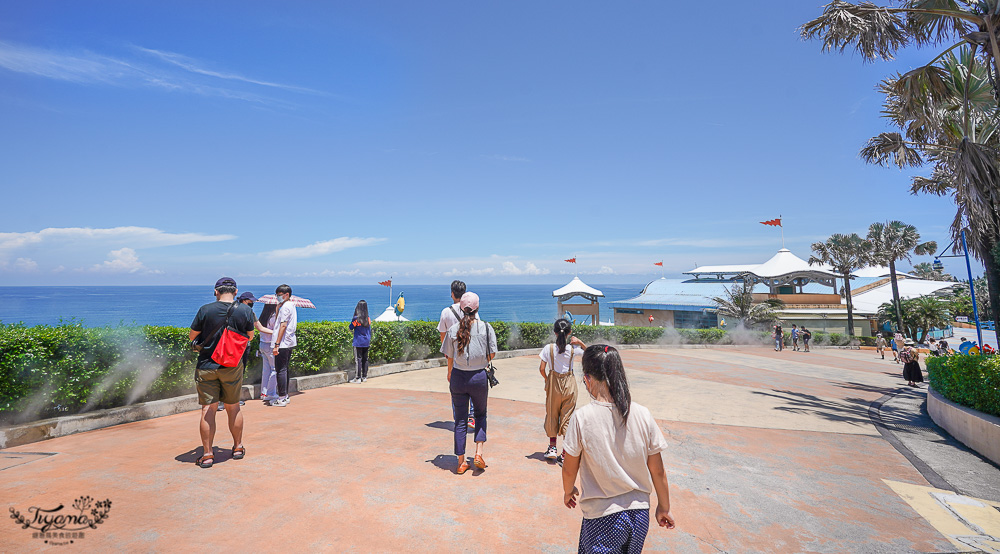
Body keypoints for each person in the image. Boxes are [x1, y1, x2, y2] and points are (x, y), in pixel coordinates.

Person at [561, 345, 675, 552]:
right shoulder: (642, 414)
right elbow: (658, 470)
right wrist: (664, 507)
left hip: (602, 518)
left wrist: (569, 491)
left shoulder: (582, 418)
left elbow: (569, 468)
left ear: (587, 379)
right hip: (639, 516)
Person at [189, 277, 255, 468]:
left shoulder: (205, 310)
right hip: (232, 366)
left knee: (208, 409)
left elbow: (192, 336)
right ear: (236, 292)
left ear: (215, 292)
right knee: (233, 407)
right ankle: (237, 447)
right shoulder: (245, 310)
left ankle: (208, 455)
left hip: (207, 366)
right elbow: (250, 336)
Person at [441, 292, 496, 474]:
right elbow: (492, 354)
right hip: (479, 377)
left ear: (460, 308)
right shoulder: (487, 328)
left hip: (458, 377)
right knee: (480, 414)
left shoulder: (453, 330)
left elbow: (449, 356)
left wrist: (450, 372)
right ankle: (478, 453)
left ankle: (461, 461)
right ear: (477, 308)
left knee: (460, 420)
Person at [539, 319, 587, 465]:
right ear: (569, 333)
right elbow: (589, 352)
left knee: (552, 413)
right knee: (567, 417)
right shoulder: (573, 350)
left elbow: (541, 369)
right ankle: (565, 453)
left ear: (554, 332)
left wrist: (547, 379)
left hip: (553, 382)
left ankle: (552, 448)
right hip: (569, 384)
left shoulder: (548, 349)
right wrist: (580, 342)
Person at [438, 280, 478, 429]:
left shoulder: (446, 312)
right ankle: (472, 417)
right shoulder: (472, 310)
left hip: (454, 356)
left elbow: (443, 336)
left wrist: (447, 354)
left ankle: (459, 420)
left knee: (456, 387)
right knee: (473, 381)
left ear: (452, 294)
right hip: (471, 353)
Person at [217, 292, 260, 411]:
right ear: (244, 300)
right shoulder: (247, 312)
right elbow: (251, 335)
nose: (252, 303)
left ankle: (222, 401)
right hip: (240, 347)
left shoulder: (228, 309)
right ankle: (231, 400)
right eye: (250, 301)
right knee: (237, 374)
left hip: (226, 345)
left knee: (224, 373)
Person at [270, 284, 297, 408]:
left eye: (279, 295)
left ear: (286, 295)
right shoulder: (289, 306)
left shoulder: (286, 307)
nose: (277, 297)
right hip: (288, 342)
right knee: (284, 369)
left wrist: (276, 344)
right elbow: (279, 322)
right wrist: (277, 309)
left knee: (280, 369)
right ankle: (285, 396)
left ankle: (281, 398)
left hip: (282, 343)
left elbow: (283, 325)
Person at [257, 303, 279, 404]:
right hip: (270, 345)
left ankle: (264, 393)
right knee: (274, 369)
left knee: (266, 370)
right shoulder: (273, 316)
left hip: (262, 344)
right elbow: (276, 330)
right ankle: (271, 393)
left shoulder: (262, 316)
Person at [349, 300, 372, 383]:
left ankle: (358, 378)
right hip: (366, 341)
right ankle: (364, 377)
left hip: (358, 342)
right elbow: (369, 330)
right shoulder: (368, 319)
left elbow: (350, 327)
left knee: (358, 360)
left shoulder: (356, 319)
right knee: (365, 359)